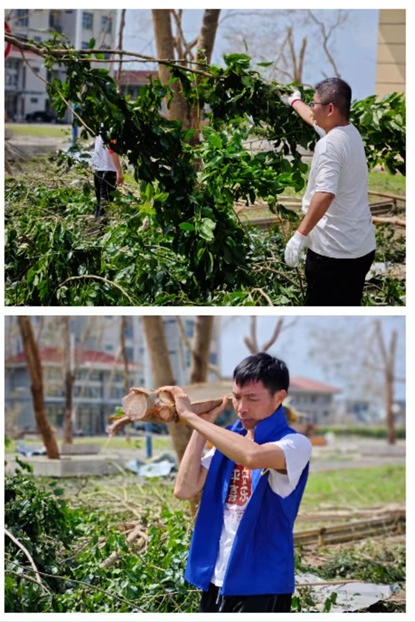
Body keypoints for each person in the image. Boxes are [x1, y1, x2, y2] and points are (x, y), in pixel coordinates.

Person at [163, 352, 312, 613]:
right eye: (237, 397)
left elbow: (252, 456)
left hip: (261, 584)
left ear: (279, 398)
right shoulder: (229, 440)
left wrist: (190, 416)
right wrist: (201, 427)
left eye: (252, 399)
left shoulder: (294, 444)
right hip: (216, 578)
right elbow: (184, 489)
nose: (241, 408)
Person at [282, 78, 376, 306]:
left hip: (333, 254)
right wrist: (294, 101)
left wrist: (299, 236)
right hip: (360, 248)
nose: (312, 108)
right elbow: (312, 118)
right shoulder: (349, 132)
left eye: (314, 103)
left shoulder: (329, 145)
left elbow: (325, 193)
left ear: (330, 109)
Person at [91, 127, 124, 218]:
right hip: (108, 171)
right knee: (105, 206)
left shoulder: (100, 127)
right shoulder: (110, 128)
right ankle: (100, 230)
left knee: (100, 205)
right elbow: (112, 149)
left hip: (98, 171)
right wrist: (119, 170)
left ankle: (97, 229)